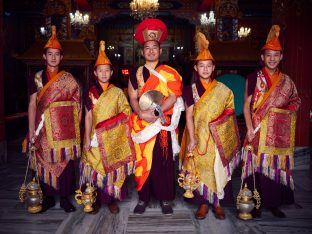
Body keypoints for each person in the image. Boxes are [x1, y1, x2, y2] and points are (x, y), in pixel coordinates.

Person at [242, 25, 301, 218]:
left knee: (274, 167)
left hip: (276, 133)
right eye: (268, 55)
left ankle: (273, 203)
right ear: (262, 57)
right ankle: (254, 203)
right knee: (256, 167)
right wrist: (250, 128)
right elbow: (246, 106)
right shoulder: (253, 78)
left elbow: (295, 101)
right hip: (257, 131)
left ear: (281, 57)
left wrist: (282, 115)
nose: (272, 59)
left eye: (276, 55)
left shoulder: (287, 81)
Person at [180, 31, 240, 220]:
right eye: (201, 66)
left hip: (218, 138)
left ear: (213, 67)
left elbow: (230, 113)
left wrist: (220, 128)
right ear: (196, 68)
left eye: (208, 66)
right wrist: (192, 137)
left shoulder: (224, 90)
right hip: (198, 136)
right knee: (201, 168)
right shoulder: (190, 90)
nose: (205, 69)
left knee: (217, 169)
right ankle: (203, 203)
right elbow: (188, 115)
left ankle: (218, 203)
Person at [128, 18, 184, 215]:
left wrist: (156, 112)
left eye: (155, 48)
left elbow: (173, 96)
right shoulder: (136, 73)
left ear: (161, 51)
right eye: (147, 48)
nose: (151, 51)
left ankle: (165, 199)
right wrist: (141, 113)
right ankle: (143, 198)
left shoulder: (169, 72)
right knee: (143, 160)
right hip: (142, 124)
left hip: (161, 124)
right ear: (142, 52)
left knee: (163, 160)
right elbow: (133, 97)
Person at [24, 25, 81, 212]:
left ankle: (65, 198)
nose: (53, 57)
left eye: (57, 54)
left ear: (62, 57)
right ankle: (47, 197)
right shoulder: (37, 78)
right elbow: (32, 104)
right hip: (43, 128)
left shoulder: (69, 79)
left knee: (64, 162)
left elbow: (77, 103)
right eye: (50, 54)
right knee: (43, 160)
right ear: (44, 56)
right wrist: (32, 128)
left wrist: (75, 126)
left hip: (63, 128)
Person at [81, 41, 135, 214]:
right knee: (94, 166)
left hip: (112, 139)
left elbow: (126, 112)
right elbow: (88, 116)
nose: (104, 74)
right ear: (95, 73)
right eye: (100, 71)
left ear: (111, 72)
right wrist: (87, 138)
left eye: (107, 70)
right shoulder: (89, 92)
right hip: (94, 138)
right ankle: (94, 198)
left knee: (111, 168)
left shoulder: (118, 92)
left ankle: (111, 199)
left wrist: (108, 126)